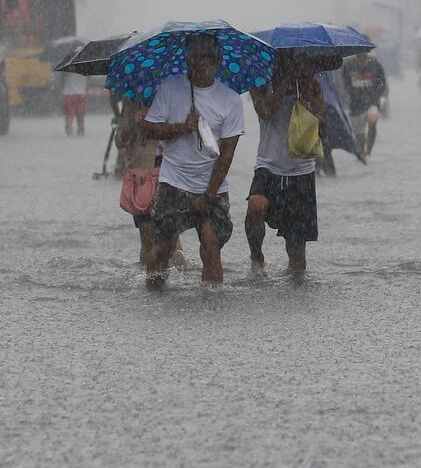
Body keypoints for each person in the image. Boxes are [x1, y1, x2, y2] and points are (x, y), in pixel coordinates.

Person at [142, 34, 245, 288]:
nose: (202, 62)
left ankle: (211, 304)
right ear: (187, 58)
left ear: (218, 59)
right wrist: (181, 127)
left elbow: (228, 152)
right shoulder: (169, 88)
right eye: (196, 56)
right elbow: (148, 129)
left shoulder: (230, 99)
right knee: (161, 251)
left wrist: (208, 195)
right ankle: (154, 299)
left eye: (208, 56)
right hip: (173, 182)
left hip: (212, 188)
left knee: (210, 245)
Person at [246, 54, 325, 273]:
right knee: (255, 206)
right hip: (268, 165)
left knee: (297, 254)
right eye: (285, 62)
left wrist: (313, 105)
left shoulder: (311, 85)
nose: (291, 66)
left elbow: (324, 131)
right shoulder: (261, 83)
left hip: (301, 171)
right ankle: (256, 256)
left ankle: (295, 293)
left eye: (295, 62)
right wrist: (284, 87)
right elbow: (264, 111)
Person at [115, 97, 185, 267]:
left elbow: (184, 132)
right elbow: (120, 141)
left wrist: (158, 124)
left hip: (170, 173)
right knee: (146, 236)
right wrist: (133, 123)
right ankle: (150, 282)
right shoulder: (131, 103)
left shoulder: (173, 97)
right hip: (142, 177)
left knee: (172, 237)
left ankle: (181, 276)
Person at [342, 52, 386, 158]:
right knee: (359, 132)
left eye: (364, 51)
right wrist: (351, 92)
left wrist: (376, 95)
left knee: (372, 124)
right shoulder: (349, 65)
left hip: (372, 102)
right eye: (359, 52)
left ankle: (369, 151)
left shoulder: (375, 64)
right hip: (356, 104)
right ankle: (362, 150)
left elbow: (382, 82)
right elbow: (345, 82)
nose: (362, 54)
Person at [62, 71, 88, 137]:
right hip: (81, 92)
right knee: (80, 115)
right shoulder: (85, 64)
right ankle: (81, 131)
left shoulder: (67, 64)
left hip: (69, 93)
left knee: (69, 116)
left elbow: (62, 77)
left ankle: (69, 133)